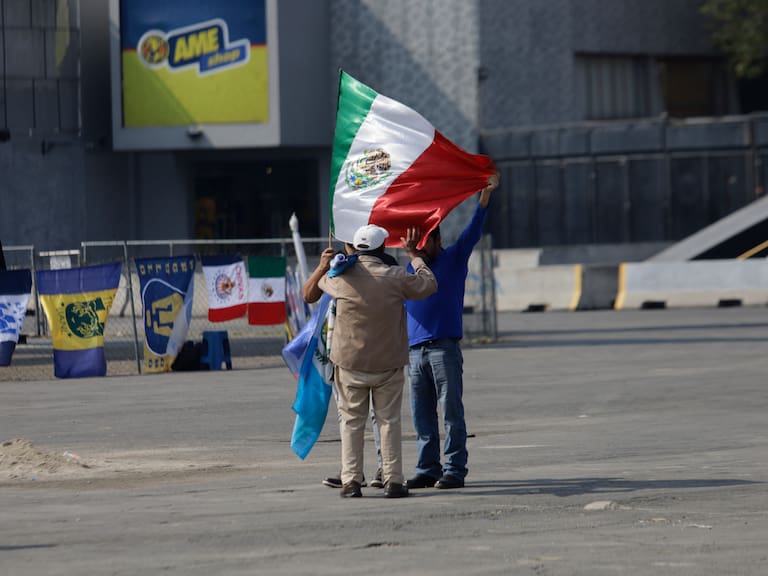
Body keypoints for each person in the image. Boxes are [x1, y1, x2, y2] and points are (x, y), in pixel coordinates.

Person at [305, 224, 437, 498]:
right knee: (389, 422)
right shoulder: (395, 276)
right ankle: (393, 481)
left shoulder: (341, 278)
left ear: (354, 248)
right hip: (388, 363)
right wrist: (414, 256)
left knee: (351, 423)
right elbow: (429, 284)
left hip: (350, 363)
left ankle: (351, 482)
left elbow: (310, 293)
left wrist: (324, 265)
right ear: (382, 247)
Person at [405, 172, 500, 490]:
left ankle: (455, 469)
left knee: (450, 412)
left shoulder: (454, 258)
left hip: (443, 348)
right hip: (415, 351)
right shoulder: (410, 266)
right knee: (421, 414)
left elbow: (473, 229)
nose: (420, 250)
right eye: (416, 246)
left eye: (424, 245)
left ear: (437, 241)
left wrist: (484, 197)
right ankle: (427, 468)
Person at [303, 243, 392, 490]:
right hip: (343, 354)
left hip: (376, 352)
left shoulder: (385, 266)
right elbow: (308, 295)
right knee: (348, 416)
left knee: (379, 416)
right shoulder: (338, 265)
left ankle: (385, 469)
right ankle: (352, 473)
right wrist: (323, 267)